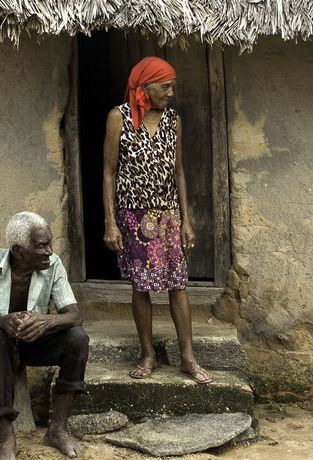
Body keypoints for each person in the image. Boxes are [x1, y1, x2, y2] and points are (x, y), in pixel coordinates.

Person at [102, 56, 213, 384]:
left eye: (172, 86)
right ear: (145, 86)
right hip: (133, 216)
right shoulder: (117, 118)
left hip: (168, 215)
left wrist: (186, 219)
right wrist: (110, 221)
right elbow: (108, 172)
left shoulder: (173, 120)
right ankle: (147, 353)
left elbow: (179, 170)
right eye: (165, 86)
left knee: (178, 285)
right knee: (141, 286)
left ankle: (188, 357)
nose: (171, 92)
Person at [0, 211, 88, 459]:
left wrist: (47, 320)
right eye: (41, 246)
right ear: (18, 251)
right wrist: (2, 321)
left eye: (49, 243)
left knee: (77, 337)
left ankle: (57, 429)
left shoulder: (53, 265)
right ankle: (6, 436)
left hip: (31, 343)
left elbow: (75, 315)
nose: (49, 251)